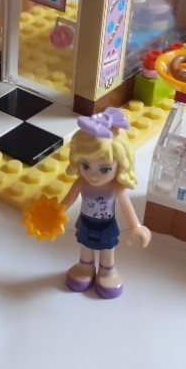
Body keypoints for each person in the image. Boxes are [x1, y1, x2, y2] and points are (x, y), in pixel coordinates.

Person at [60, 108, 151, 299]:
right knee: (85, 246)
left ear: (120, 165)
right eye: (86, 166)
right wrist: (54, 215)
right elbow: (66, 202)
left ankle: (107, 271)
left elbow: (126, 206)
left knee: (108, 249)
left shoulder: (115, 187)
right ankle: (85, 267)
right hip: (86, 222)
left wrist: (136, 226)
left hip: (107, 225)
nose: (93, 175)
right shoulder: (81, 183)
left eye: (104, 169)